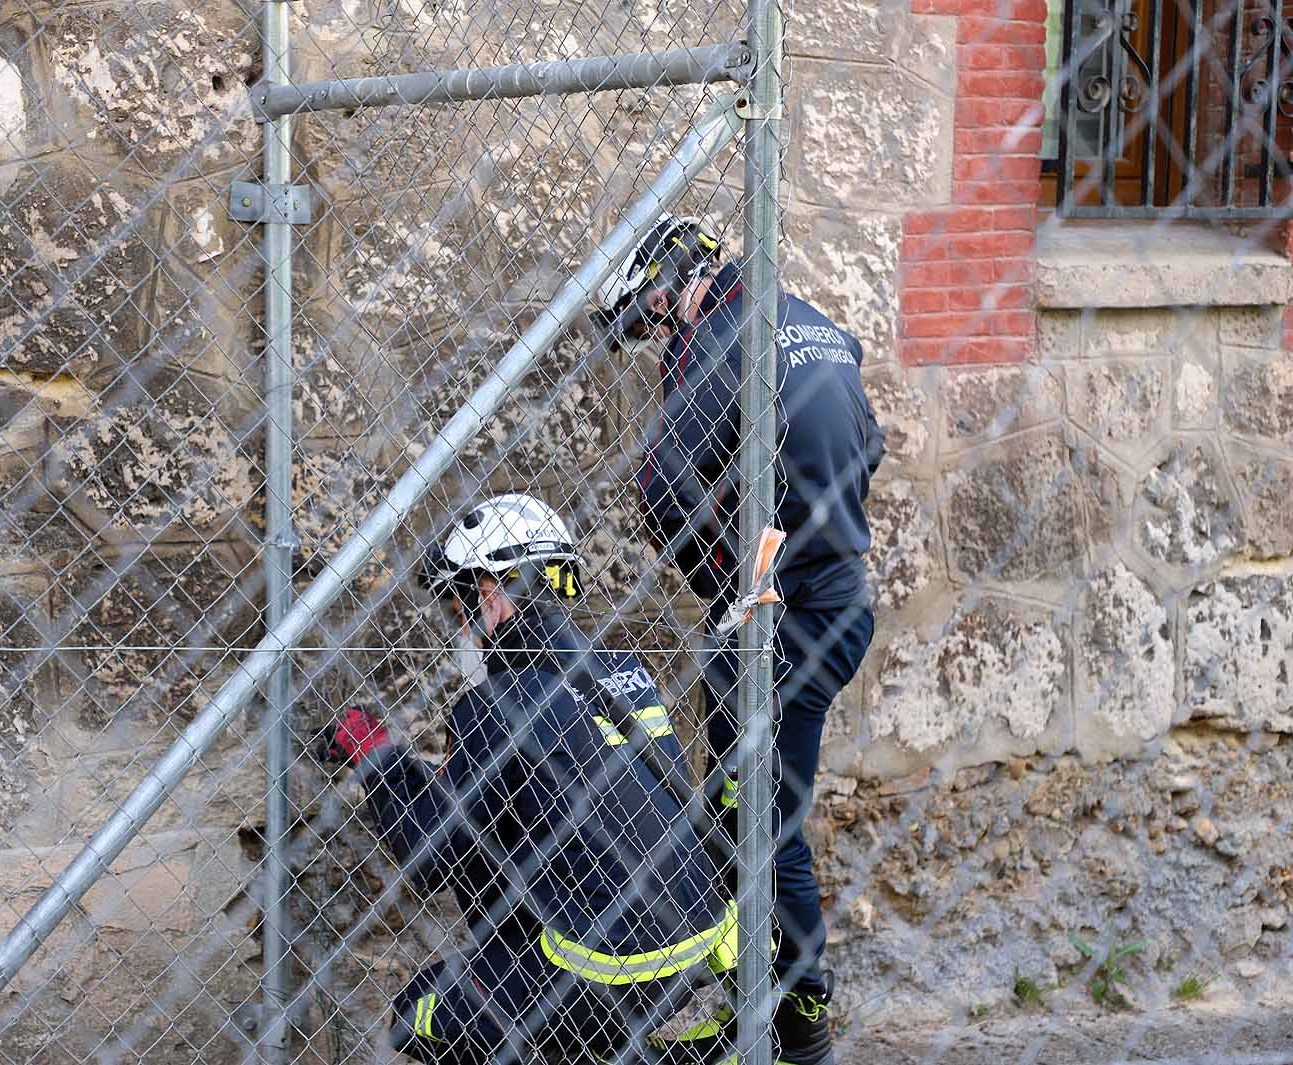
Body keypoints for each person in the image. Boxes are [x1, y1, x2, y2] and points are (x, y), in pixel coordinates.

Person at [594, 215, 884, 1065]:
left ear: (668, 282)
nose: (653, 342)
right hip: (840, 600)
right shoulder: (804, 316)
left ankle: (801, 1024)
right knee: (745, 804)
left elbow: (658, 489)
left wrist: (731, 580)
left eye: (648, 320)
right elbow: (868, 438)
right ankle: (761, 1000)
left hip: (776, 623)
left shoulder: (711, 337)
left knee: (761, 819)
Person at [320, 494, 734, 1065]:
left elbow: (425, 857)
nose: (460, 626)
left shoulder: (491, 706)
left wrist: (381, 759)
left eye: (460, 606)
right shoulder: (622, 670)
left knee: (417, 1015)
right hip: (695, 939)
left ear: (491, 596)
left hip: (605, 973)